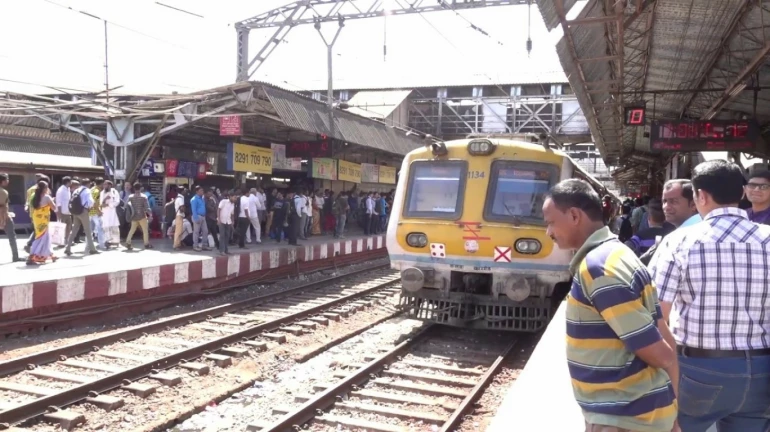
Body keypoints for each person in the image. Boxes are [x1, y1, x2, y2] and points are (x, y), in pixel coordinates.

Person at [541, 179, 678, 432]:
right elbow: (665, 336)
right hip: (639, 413)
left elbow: (663, 354)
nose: (548, 232)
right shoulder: (621, 255)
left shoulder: (599, 269)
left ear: (574, 215)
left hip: (623, 417)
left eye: (550, 222)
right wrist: (673, 414)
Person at [649, 160, 770, 432]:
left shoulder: (679, 241)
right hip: (762, 371)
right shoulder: (768, 238)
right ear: (741, 194)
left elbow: (656, 315)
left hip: (699, 371)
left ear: (700, 196)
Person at [64, 180, 99, 256]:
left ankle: (68, 248)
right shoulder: (87, 191)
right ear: (88, 184)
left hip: (75, 211)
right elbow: (90, 202)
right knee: (88, 231)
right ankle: (92, 249)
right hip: (83, 211)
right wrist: (91, 206)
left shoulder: (77, 190)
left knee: (74, 230)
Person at [27, 181, 58, 265]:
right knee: (42, 238)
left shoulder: (33, 196)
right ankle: (33, 256)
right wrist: (53, 200)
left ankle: (51, 254)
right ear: (44, 188)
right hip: (44, 220)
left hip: (36, 219)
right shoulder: (47, 197)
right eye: (47, 187)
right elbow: (54, 208)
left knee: (42, 237)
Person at [0, 173, 22, 262]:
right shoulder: (3, 192)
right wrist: (3, 220)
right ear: (3, 181)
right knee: (12, 237)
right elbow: (2, 207)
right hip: (4, 217)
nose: (8, 181)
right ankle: (15, 257)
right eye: (7, 179)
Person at [24, 173, 48, 254]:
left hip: (33, 213)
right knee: (39, 231)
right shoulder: (45, 191)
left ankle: (32, 245)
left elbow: (27, 201)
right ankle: (32, 246)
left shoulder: (30, 190)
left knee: (36, 229)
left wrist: (26, 207)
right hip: (43, 215)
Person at [125, 182, 153, 251]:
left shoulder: (130, 197)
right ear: (140, 188)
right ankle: (146, 244)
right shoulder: (144, 197)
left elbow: (126, 205)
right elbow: (147, 208)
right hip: (142, 216)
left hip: (134, 216)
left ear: (134, 188)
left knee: (132, 230)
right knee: (145, 231)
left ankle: (128, 242)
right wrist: (150, 215)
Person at [100, 180, 121, 249]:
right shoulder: (102, 192)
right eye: (104, 184)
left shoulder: (114, 192)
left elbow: (117, 201)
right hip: (105, 212)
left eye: (106, 185)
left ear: (110, 185)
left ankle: (116, 242)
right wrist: (104, 202)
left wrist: (109, 204)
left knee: (114, 226)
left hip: (112, 212)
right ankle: (107, 242)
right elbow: (101, 203)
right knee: (106, 227)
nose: (104, 186)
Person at [55, 176, 73, 249]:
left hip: (68, 211)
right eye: (70, 181)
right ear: (68, 182)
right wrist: (59, 212)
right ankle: (60, 242)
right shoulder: (61, 190)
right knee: (61, 228)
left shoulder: (68, 189)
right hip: (62, 212)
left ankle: (66, 240)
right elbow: (58, 202)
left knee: (69, 226)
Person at [89, 178, 105, 249]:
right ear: (101, 184)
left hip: (89, 212)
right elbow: (95, 203)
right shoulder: (97, 191)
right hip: (95, 213)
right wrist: (99, 211)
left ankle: (88, 245)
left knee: (89, 230)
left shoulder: (91, 189)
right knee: (100, 229)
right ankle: (102, 245)